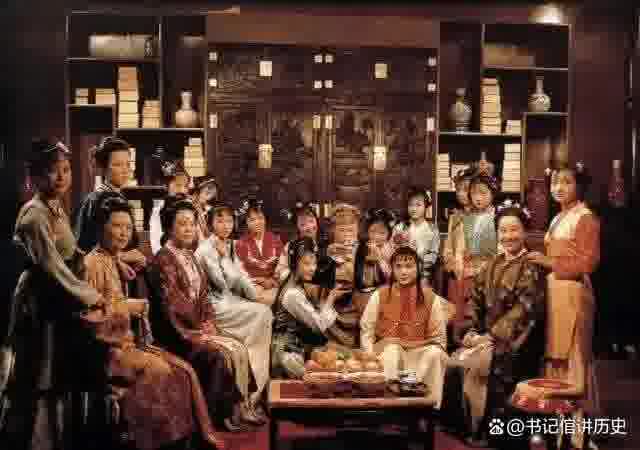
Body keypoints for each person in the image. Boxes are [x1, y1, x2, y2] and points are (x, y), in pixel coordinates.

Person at [6, 139, 125, 450]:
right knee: (38, 374)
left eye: (66, 169)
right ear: (35, 176)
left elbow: (72, 252)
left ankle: (58, 439)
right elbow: (53, 267)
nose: (61, 177)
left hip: (58, 297)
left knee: (57, 373)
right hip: (40, 299)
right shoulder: (34, 215)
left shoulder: (56, 207)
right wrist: (92, 296)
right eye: (52, 170)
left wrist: (110, 260)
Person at [84, 196, 223, 449]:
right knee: (164, 371)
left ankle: (186, 440)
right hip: (109, 351)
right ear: (101, 227)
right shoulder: (91, 264)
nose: (123, 233)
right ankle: (156, 442)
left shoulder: (113, 260)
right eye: (117, 226)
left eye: (128, 227)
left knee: (184, 370)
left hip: (129, 344)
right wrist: (126, 308)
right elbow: (90, 321)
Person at [152, 197, 263, 431]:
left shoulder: (189, 255)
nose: (189, 229)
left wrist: (209, 322)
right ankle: (220, 417)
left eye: (192, 224)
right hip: (176, 334)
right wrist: (197, 331)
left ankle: (241, 407)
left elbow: (204, 298)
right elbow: (171, 306)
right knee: (219, 354)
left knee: (237, 347)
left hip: (195, 327)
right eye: (182, 224)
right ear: (169, 227)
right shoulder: (163, 259)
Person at [446, 200, 546, 447]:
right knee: (453, 362)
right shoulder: (492, 264)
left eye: (514, 229)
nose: (508, 236)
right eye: (503, 230)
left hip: (515, 342)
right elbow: (474, 300)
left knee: (484, 366)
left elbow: (524, 310)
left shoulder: (531, 266)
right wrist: (470, 331)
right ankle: (466, 428)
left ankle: (486, 432)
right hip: (487, 338)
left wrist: (492, 337)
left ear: (525, 231)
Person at [523, 162, 600, 450]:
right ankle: (558, 430)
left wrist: (549, 262)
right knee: (554, 358)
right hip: (555, 293)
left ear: (579, 186)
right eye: (556, 181)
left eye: (567, 182)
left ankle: (577, 435)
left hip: (574, 292)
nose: (559, 187)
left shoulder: (585, 217)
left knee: (573, 358)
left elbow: (587, 263)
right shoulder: (559, 217)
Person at [195, 202, 273, 417]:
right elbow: (222, 284)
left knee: (264, 311)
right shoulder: (206, 249)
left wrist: (255, 295)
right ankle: (252, 393)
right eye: (219, 221)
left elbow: (242, 277)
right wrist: (223, 259)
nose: (225, 225)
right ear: (211, 223)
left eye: (229, 221)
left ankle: (256, 392)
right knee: (263, 315)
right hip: (216, 306)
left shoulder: (228, 245)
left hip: (231, 301)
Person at [360, 244, 449, 409]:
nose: (403, 272)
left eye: (409, 266)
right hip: (387, 350)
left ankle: (428, 408)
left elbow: (439, 338)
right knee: (392, 350)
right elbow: (367, 330)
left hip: (420, 352)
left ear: (418, 268)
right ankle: (390, 407)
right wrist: (370, 355)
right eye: (398, 267)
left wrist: (425, 347)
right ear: (392, 269)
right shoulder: (380, 295)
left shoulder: (431, 298)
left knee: (435, 353)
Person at [271, 238, 349, 378]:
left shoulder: (291, 279)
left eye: (314, 263)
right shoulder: (292, 294)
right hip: (288, 356)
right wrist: (331, 298)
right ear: (294, 264)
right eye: (306, 263)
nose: (312, 268)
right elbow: (319, 325)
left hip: (295, 349)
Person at [73, 136, 146, 273]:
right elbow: (88, 248)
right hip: (101, 272)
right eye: (118, 165)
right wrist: (122, 257)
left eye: (127, 164)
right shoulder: (98, 200)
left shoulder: (119, 198)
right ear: (104, 168)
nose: (125, 170)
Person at [451, 174, 500, 328]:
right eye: (474, 193)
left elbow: (501, 249)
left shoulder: (498, 217)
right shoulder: (466, 218)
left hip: (491, 274)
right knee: (466, 314)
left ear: (493, 193)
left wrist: (486, 269)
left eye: (483, 193)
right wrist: (459, 264)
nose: (478, 198)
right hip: (468, 273)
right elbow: (460, 248)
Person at [235, 199, 284, 307]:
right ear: (247, 222)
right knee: (256, 297)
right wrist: (259, 280)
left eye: (260, 218)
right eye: (252, 220)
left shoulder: (275, 240)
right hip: (252, 284)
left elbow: (282, 264)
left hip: (273, 283)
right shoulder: (240, 244)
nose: (257, 222)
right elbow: (240, 271)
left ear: (265, 219)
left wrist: (273, 279)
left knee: (278, 297)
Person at [442, 168, 474, 325]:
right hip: (455, 272)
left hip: (472, 274)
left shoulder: (482, 217)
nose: (461, 194)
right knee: (454, 313)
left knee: (471, 314)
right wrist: (450, 261)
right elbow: (448, 245)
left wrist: (471, 269)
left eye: (465, 190)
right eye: (458, 190)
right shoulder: (454, 217)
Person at [392, 186, 440, 281]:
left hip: (423, 274)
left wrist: (419, 265)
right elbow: (393, 250)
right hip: (402, 274)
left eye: (418, 205)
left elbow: (433, 254)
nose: (414, 209)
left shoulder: (432, 229)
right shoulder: (399, 228)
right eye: (410, 205)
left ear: (426, 206)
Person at [351, 208, 396, 312]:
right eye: (372, 231)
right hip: (362, 291)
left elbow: (392, 277)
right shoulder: (361, 247)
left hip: (384, 291)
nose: (376, 236)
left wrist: (379, 258)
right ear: (367, 231)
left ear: (388, 234)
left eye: (382, 233)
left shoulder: (390, 250)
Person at [275, 202, 328, 283]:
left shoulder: (326, 243)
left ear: (316, 221)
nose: (309, 227)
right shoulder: (290, 246)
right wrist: (297, 275)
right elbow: (279, 271)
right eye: (303, 224)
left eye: (311, 221)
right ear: (297, 227)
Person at [150, 156, 192, 255]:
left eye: (185, 186)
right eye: (178, 185)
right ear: (167, 186)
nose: (182, 190)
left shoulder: (191, 208)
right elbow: (155, 241)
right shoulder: (159, 209)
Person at [190, 175, 219, 243]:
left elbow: (207, 233)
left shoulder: (208, 210)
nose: (211, 190)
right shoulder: (190, 204)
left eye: (213, 188)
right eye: (208, 187)